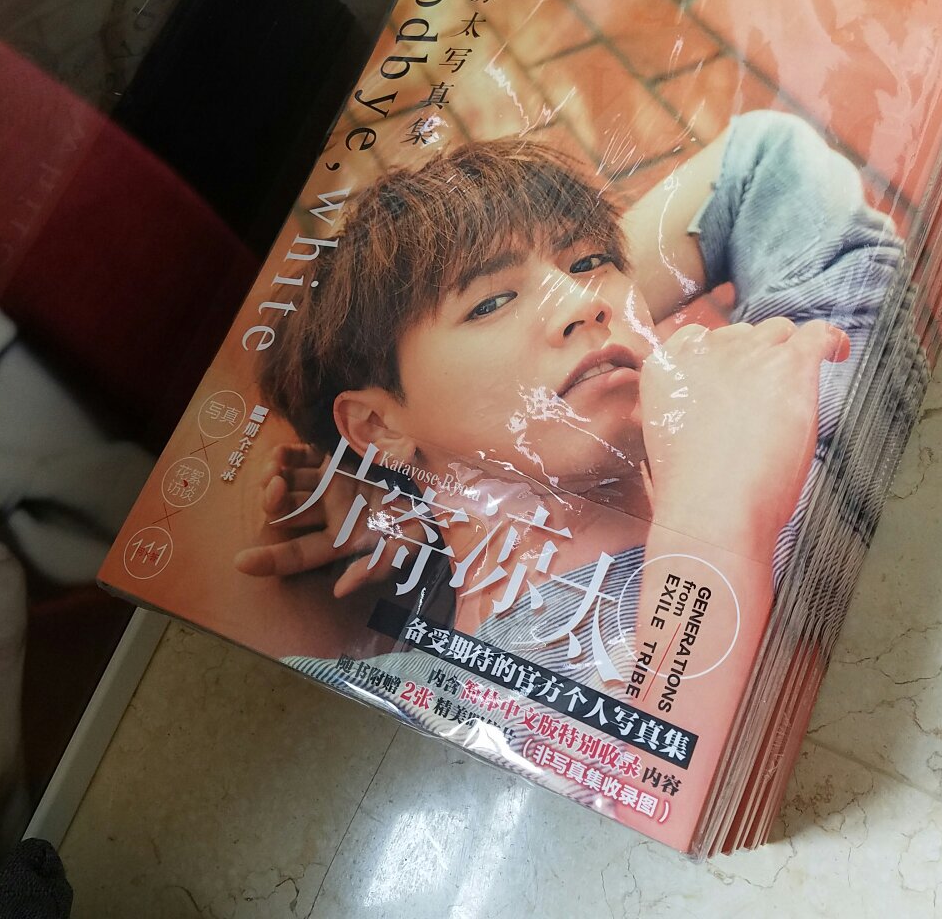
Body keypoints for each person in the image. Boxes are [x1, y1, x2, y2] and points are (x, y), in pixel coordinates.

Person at [233, 109, 906, 841]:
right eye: (490, 301)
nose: (585, 301)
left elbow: (764, 159)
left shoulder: (803, 401)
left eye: (589, 263)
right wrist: (712, 516)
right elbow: (652, 817)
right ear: (375, 424)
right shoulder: (422, 707)